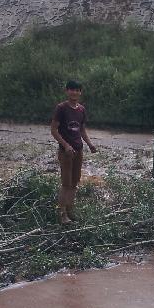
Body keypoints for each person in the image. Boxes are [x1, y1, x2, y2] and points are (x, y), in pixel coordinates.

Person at [50, 79, 97, 225]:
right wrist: (66, 145)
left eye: (77, 90)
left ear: (80, 92)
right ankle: (62, 214)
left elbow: (81, 129)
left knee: (75, 182)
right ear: (67, 91)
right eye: (72, 89)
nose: (74, 92)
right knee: (66, 183)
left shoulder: (81, 109)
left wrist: (89, 144)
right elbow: (54, 130)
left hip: (79, 150)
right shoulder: (61, 108)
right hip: (65, 152)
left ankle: (70, 211)